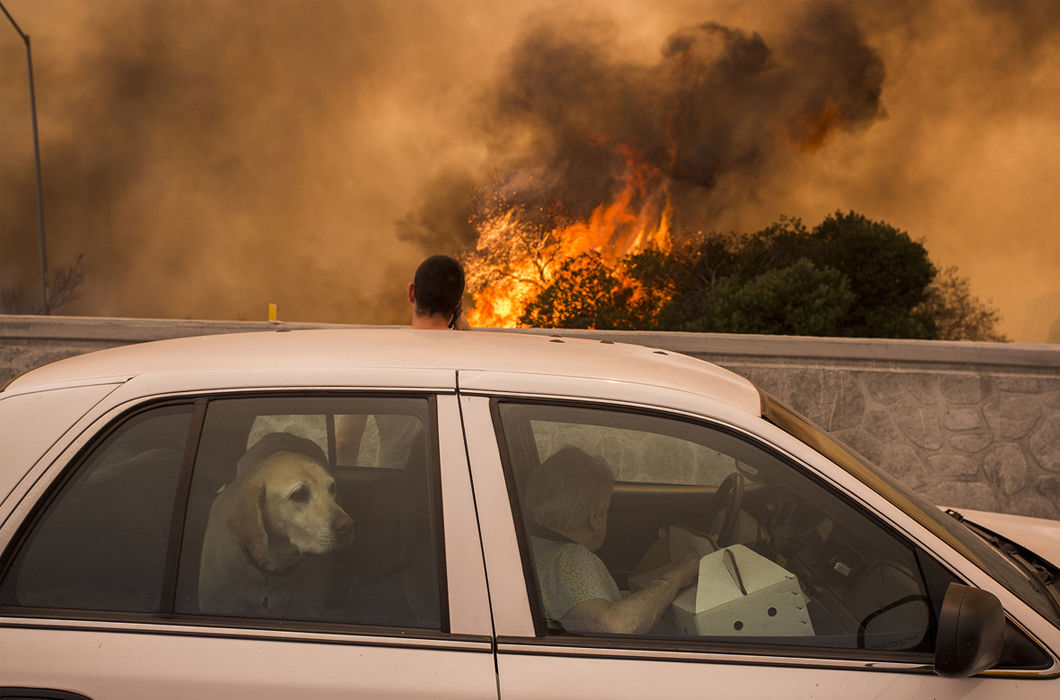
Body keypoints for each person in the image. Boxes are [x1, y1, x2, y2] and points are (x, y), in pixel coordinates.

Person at [521, 446, 699, 635]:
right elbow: (615, 626)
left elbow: (573, 608)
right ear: (594, 517)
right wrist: (676, 576)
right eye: (606, 510)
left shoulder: (529, 545)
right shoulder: (569, 557)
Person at [408, 254, 471, 330]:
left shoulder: (391, 339)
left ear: (411, 292)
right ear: (458, 304)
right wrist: (467, 334)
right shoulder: (472, 341)